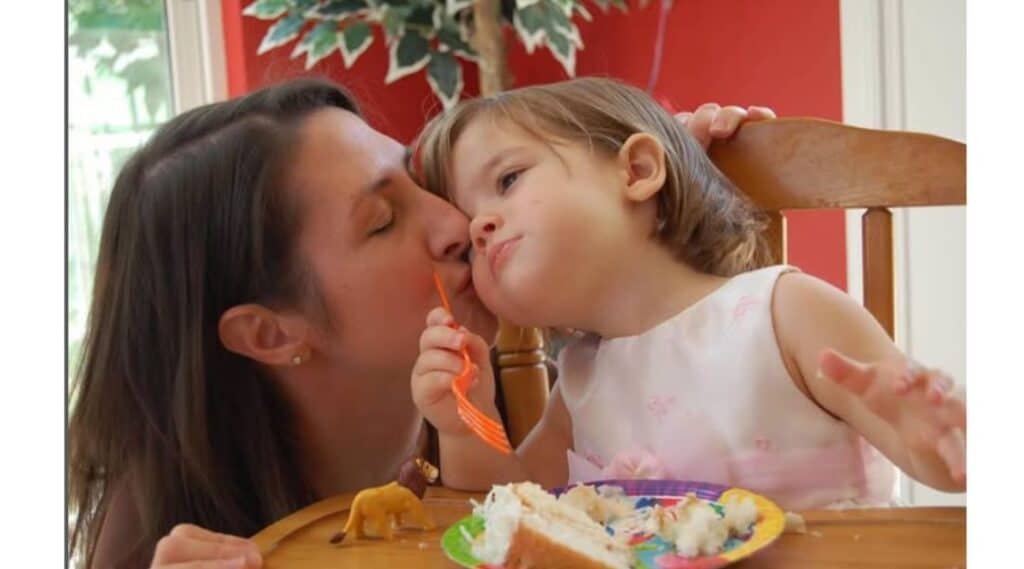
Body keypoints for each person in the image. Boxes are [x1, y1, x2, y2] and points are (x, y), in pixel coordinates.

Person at [67, 77, 759, 569]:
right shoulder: (167, 539)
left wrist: (665, 219)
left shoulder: (481, 427)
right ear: (273, 333)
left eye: (418, 182)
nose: (458, 223)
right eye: (383, 221)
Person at [411, 77, 967, 511]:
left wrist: (937, 435)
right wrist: (464, 425)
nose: (481, 225)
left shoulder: (784, 312)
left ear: (638, 170)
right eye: (467, 228)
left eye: (508, 180)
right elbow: (508, 512)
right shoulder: (579, 382)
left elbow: (938, 462)